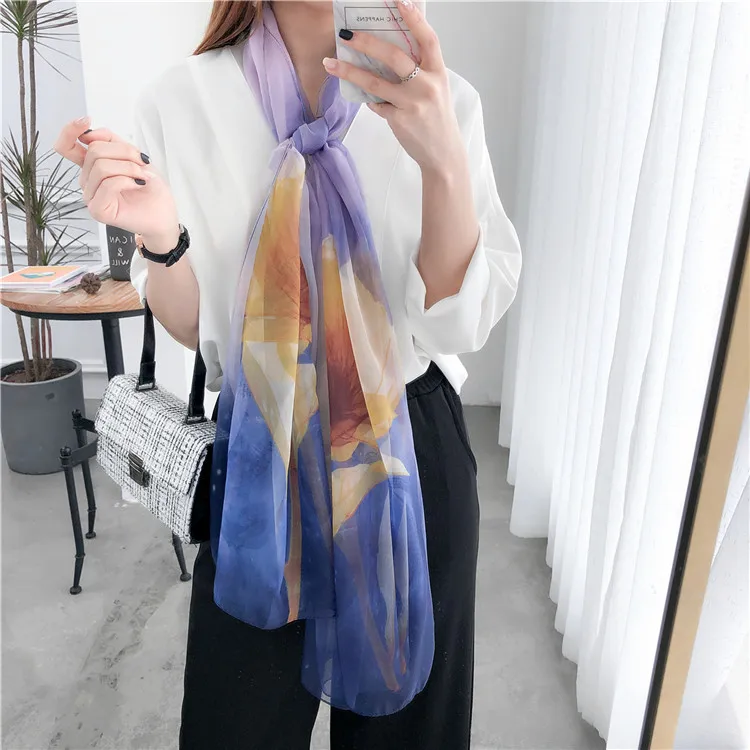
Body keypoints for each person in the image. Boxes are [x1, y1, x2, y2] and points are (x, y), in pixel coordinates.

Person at [55, 1, 521, 747]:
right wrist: (163, 239)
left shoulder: (439, 97)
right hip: (260, 455)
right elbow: (196, 328)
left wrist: (442, 162)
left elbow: (454, 326)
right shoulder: (183, 100)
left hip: (407, 451)